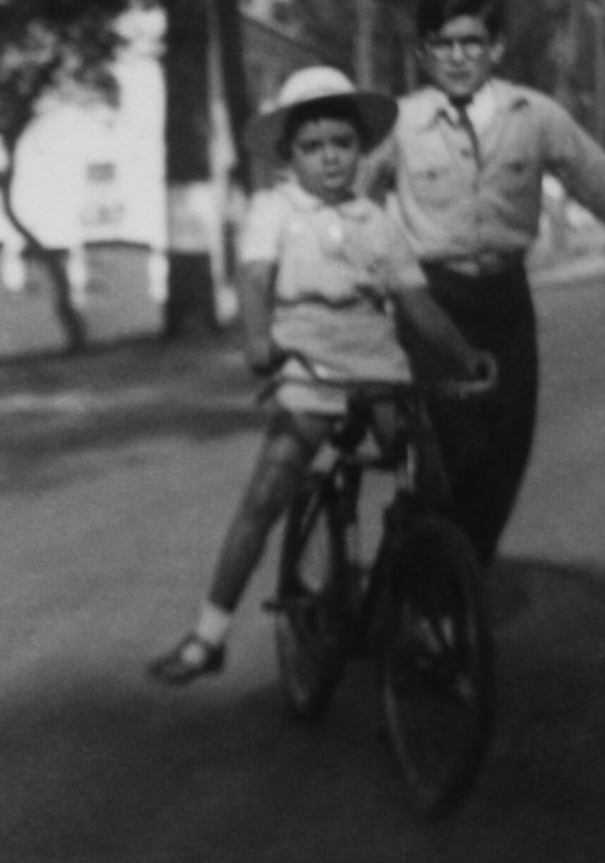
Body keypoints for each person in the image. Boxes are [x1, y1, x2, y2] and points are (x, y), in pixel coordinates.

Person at [148, 67, 487, 686]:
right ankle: (209, 634)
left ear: (360, 149)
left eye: (343, 144)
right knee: (267, 493)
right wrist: (257, 339)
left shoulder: (377, 221)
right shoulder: (275, 209)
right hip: (308, 370)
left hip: (379, 371)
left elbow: (414, 303)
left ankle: (425, 621)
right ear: (289, 155)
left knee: (430, 489)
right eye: (313, 147)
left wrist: (464, 357)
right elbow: (254, 278)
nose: (330, 159)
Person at [362, 0, 605, 568]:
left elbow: (594, 173)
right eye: (441, 44)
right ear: (422, 53)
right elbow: (356, 196)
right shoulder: (400, 121)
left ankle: (462, 571)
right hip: (434, 297)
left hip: (505, 297)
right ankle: (435, 584)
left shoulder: (533, 115)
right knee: (455, 445)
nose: (456, 57)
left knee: (508, 447)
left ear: (496, 48)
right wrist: (370, 265)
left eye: (471, 43)